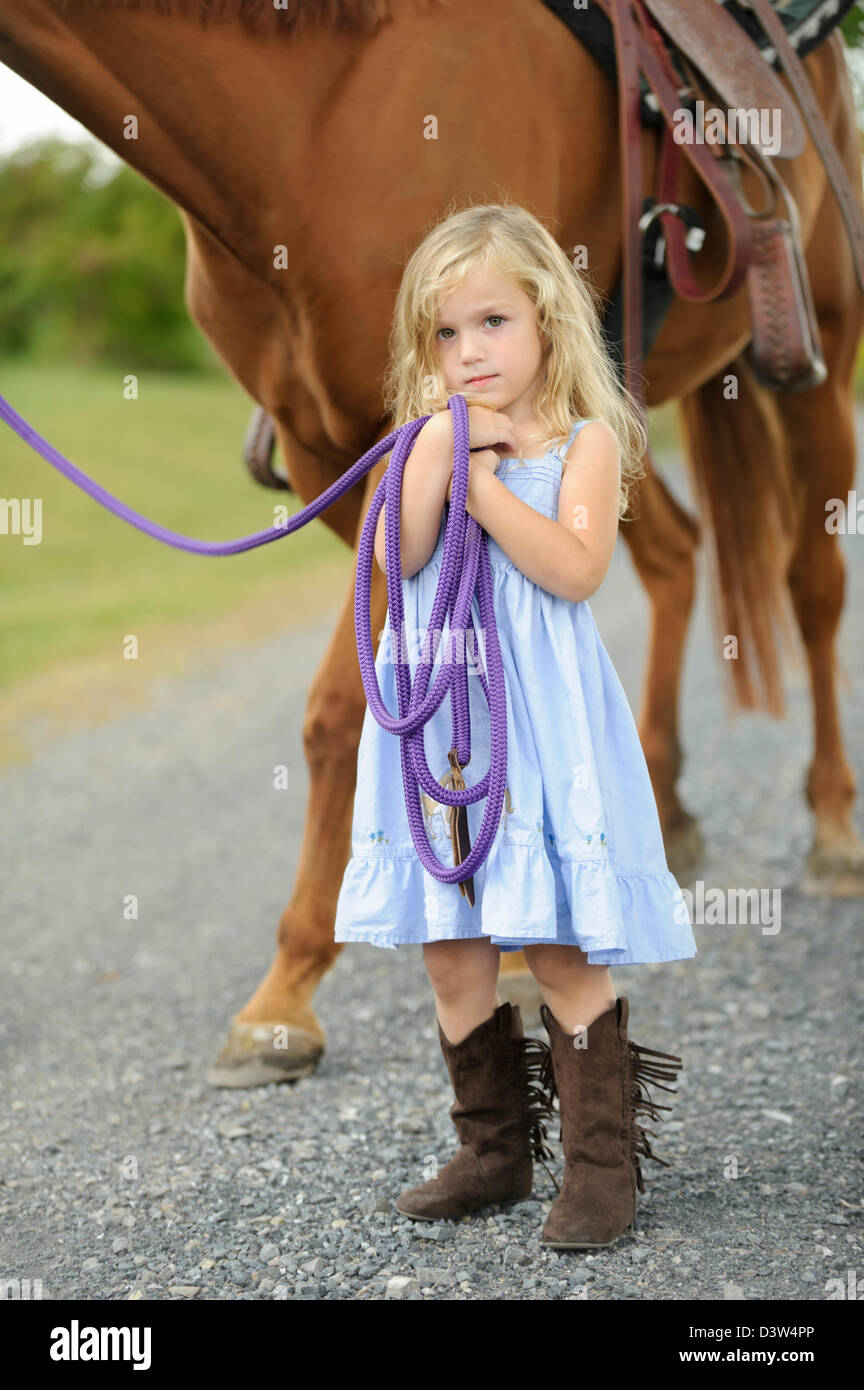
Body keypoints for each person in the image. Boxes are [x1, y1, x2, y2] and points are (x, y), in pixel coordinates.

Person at [333, 201, 695, 1249]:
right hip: (447, 727)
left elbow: (575, 570)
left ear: (546, 319)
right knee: (453, 946)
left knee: (556, 939)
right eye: (445, 334)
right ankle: (493, 1150)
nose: (469, 351)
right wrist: (442, 460)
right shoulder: (425, 448)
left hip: (538, 730)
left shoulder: (583, 443)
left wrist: (485, 485)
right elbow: (395, 563)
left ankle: (599, 1163)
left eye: (491, 322)